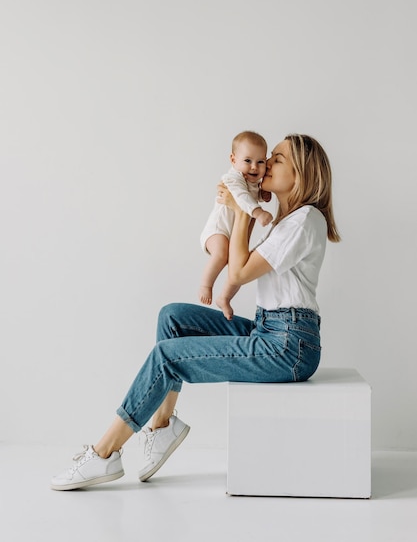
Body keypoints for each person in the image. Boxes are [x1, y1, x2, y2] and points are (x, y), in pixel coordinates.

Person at [51, 133, 341, 492]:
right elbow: (239, 265)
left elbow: (238, 271)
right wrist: (243, 206)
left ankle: (105, 453)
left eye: (277, 160)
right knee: (173, 317)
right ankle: (161, 426)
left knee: (166, 356)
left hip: (288, 346)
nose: (265, 165)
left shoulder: (304, 219)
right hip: (271, 332)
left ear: (301, 175)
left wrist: (239, 211)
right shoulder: (285, 220)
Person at [199, 130, 273, 320]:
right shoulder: (233, 178)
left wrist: (264, 195)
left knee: (239, 265)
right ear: (233, 160)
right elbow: (241, 197)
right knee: (221, 253)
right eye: (247, 161)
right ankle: (206, 284)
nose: (254, 167)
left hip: (234, 235)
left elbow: (254, 194)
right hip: (218, 230)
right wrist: (258, 212)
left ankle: (225, 298)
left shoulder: (255, 181)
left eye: (260, 162)